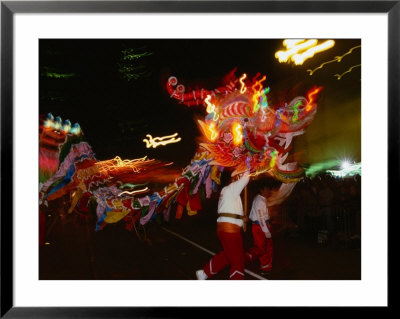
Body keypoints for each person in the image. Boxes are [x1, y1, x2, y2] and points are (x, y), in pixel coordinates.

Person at [196, 169, 250, 280]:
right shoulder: (231, 189)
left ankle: (204, 273)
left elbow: (228, 211)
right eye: (236, 177)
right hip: (230, 231)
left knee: (227, 256)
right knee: (238, 261)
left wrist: (241, 218)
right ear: (232, 178)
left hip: (225, 229)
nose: (238, 179)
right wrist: (248, 168)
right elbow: (245, 179)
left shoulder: (226, 191)